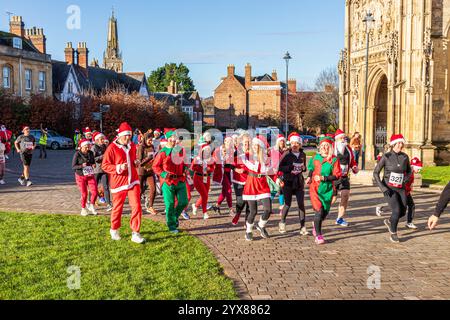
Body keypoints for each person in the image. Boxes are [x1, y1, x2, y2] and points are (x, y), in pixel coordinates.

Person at [102, 122, 145, 244]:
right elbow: (105, 166)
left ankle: (135, 233)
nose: (128, 138)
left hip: (133, 181)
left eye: (129, 136)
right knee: (117, 208)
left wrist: (135, 162)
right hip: (119, 183)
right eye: (126, 136)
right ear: (120, 135)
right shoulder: (112, 148)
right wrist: (118, 167)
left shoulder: (132, 145)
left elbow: (132, 160)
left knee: (137, 206)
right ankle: (114, 228)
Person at [373, 134, 412, 243]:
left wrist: (406, 179)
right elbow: (376, 173)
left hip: (401, 188)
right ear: (393, 144)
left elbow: (409, 171)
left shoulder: (405, 157)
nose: (400, 145)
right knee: (396, 210)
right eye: (398, 143)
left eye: (402, 143)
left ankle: (390, 221)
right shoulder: (386, 157)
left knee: (403, 211)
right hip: (389, 189)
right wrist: (383, 188)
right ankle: (393, 233)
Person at [306, 136, 342, 245]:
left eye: (327, 146)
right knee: (319, 210)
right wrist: (309, 177)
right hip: (315, 188)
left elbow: (337, 175)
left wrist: (324, 178)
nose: (325, 148)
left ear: (330, 147)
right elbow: (311, 168)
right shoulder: (315, 157)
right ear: (320, 147)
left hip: (327, 189)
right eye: (323, 146)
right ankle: (318, 235)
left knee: (324, 213)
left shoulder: (334, 159)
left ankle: (316, 225)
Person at [152, 130, 189, 234]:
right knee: (170, 204)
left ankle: (174, 217)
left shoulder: (180, 150)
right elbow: (155, 166)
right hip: (167, 181)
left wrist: (186, 169)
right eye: (171, 138)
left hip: (180, 179)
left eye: (175, 138)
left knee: (183, 202)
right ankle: (172, 226)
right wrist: (163, 174)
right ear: (167, 139)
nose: (173, 140)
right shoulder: (163, 152)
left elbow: (185, 162)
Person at [376, 157, 422, 230]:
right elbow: (403, 181)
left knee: (410, 205)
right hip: (402, 191)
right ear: (413, 166)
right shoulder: (407, 171)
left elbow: (410, 182)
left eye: (420, 169)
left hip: (406, 191)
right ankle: (389, 217)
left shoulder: (411, 172)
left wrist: (410, 188)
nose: (419, 170)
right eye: (418, 168)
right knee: (400, 208)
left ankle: (407, 222)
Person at [241, 135, 273, 241]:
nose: (254, 146)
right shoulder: (247, 155)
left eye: (256, 145)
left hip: (263, 184)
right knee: (253, 211)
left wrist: (278, 179)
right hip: (251, 184)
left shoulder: (267, 158)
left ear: (261, 147)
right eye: (253, 144)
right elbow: (237, 163)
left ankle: (261, 225)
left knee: (268, 209)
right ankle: (248, 231)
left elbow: (271, 172)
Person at [278, 133, 308, 235]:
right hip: (288, 181)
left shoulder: (303, 154)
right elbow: (279, 167)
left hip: (299, 181)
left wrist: (303, 168)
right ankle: (282, 222)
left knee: (301, 204)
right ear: (290, 144)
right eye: (293, 143)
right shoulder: (286, 154)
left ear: (300, 144)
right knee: (287, 204)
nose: (295, 145)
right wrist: (289, 168)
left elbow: (304, 168)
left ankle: (303, 226)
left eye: (297, 143)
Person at [333, 129, 359, 227]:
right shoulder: (332, 148)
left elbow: (352, 161)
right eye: (341, 138)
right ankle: (320, 214)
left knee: (345, 196)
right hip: (333, 178)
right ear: (336, 139)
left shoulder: (348, 148)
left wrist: (354, 167)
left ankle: (339, 218)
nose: (343, 139)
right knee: (332, 199)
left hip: (344, 177)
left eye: (344, 137)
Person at [191, 136, 216, 220]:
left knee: (205, 195)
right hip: (198, 177)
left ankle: (196, 205)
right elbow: (192, 168)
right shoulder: (197, 159)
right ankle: (205, 212)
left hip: (207, 178)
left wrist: (210, 169)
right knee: (204, 195)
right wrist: (199, 166)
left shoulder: (211, 159)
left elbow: (213, 167)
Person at [72, 139, 98, 216]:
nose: (87, 148)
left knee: (95, 192)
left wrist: (93, 164)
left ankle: (92, 205)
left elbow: (93, 162)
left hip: (90, 175)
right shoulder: (77, 154)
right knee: (84, 193)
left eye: (88, 147)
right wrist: (81, 166)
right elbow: (73, 166)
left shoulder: (90, 153)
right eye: (86, 147)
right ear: (81, 147)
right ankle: (83, 209)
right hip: (80, 176)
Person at [212, 135, 235, 216]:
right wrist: (223, 159)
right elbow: (214, 160)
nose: (229, 143)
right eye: (228, 141)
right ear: (224, 141)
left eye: (231, 142)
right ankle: (231, 209)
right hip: (222, 173)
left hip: (229, 173)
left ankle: (217, 206)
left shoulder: (232, 150)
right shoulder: (219, 150)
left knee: (224, 192)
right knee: (229, 190)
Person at [231, 132, 251, 226]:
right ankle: (238, 213)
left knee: (249, 201)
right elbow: (228, 163)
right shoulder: (236, 153)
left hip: (250, 180)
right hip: (238, 179)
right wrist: (235, 169)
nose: (246, 145)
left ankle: (247, 221)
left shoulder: (253, 153)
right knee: (240, 200)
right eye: (245, 143)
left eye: (248, 143)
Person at [91, 132, 112, 212]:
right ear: (96, 140)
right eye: (101, 139)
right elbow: (93, 159)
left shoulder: (104, 146)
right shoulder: (94, 148)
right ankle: (91, 202)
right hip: (96, 170)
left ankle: (108, 204)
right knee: (94, 187)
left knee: (106, 187)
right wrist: (102, 157)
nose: (103, 140)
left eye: (103, 138)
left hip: (104, 169)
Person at [137, 132, 158, 215]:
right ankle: (137, 207)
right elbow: (139, 162)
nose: (150, 141)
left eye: (151, 140)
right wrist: (149, 158)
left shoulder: (152, 147)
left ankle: (150, 207)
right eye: (149, 140)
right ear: (145, 139)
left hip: (150, 170)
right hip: (141, 171)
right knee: (140, 190)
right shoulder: (141, 147)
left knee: (153, 189)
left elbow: (153, 157)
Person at [269, 134, 287, 215]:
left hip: (284, 173)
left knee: (281, 191)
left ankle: (281, 208)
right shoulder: (274, 151)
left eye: (283, 141)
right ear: (277, 142)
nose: (282, 143)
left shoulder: (286, 151)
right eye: (280, 141)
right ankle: (268, 207)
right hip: (275, 173)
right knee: (273, 190)